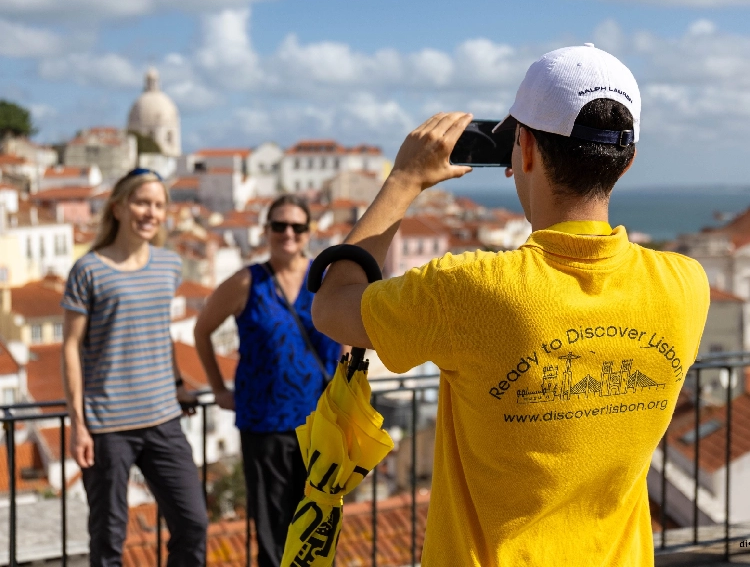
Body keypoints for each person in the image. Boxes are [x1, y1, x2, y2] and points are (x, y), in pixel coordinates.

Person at [311, 45, 710, 566]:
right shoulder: (686, 285)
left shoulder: (472, 290)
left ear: (523, 151)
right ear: (627, 160)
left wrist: (404, 180)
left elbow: (331, 307)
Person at [61, 168, 208, 567]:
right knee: (109, 539)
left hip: (163, 416)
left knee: (193, 523)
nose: (151, 212)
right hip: (107, 424)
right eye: (143, 202)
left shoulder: (169, 265)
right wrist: (78, 424)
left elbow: (158, 333)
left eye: (159, 205)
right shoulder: (88, 270)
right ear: (119, 207)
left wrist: (178, 382)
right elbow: (71, 347)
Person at [193, 194, 341, 567]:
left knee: (317, 530)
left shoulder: (323, 281)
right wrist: (218, 389)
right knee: (274, 533)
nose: (287, 233)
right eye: (279, 225)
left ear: (309, 233)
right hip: (265, 424)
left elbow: (347, 337)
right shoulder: (248, 282)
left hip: (319, 424)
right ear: (267, 231)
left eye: (297, 226)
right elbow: (202, 329)